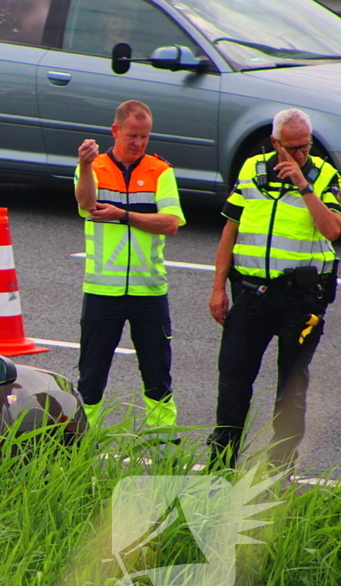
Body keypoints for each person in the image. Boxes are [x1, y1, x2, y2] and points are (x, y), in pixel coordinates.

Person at [208, 109, 341, 470]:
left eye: (305, 147)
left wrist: (303, 184)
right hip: (251, 295)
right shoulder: (251, 170)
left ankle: (278, 472)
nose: (300, 154)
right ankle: (220, 467)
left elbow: (332, 230)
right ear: (274, 143)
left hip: (301, 300)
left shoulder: (325, 175)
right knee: (233, 383)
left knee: (290, 390)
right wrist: (218, 288)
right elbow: (230, 230)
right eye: (292, 148)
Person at [74, 100, 186, 433]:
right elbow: (85, 203)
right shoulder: (93, 167)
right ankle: (80, 445)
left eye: (145, 136)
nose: (138, 143)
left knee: (157, 375)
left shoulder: (160, 171)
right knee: (91, 377)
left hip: (149, 292)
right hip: (102, 291)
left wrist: (123, 215)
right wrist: (84, 165)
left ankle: (162, 444)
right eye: (132, 136)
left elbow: (171, 223)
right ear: (115, 131)